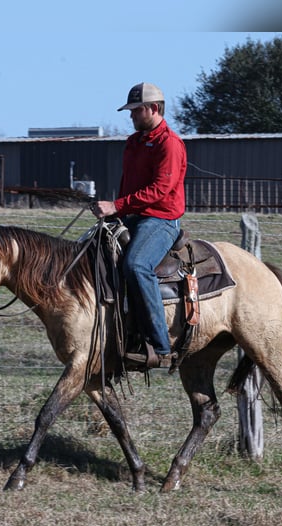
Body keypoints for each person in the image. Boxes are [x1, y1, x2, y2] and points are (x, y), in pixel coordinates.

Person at [91, 82, 187, 369]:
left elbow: (160, 189)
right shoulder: (134, 142)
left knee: (136, 265)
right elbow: (128, 183)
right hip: (132, 215)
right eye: (130, 110)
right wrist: (115, 212)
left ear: (153, 109)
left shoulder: (169, 143)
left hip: (161, 218)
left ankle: (161, 343)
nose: (131, 116)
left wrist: (117, 206)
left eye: (136, 110)